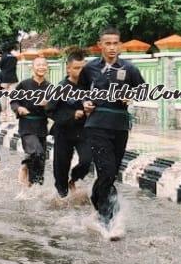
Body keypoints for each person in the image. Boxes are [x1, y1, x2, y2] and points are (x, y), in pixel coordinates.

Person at [78, 27, 145, 230]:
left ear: (120, 45)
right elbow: (79, 92)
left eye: (116, 43)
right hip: (96, 126)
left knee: (111, 174)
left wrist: (132, 97)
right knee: (106, 172)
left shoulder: (130, 69)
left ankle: (97, 195)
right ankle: (106, 220)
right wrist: (84, 102)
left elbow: (143, 90)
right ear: (100, 45)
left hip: (120, 127)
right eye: (108, 43)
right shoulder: (89, 69)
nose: (112, 47)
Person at [46, 48, 92, 197]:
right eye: (76, 68)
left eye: (82, 68)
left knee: (87, 160)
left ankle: (74, 178)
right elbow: (50, 110)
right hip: (63, 131)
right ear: (68, 68)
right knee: (61, 166)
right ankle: (62, 194)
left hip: (83, 131)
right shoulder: (61, 87)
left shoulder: (89, 86)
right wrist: (72, 114)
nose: (80, 71)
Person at [10, 57, 51, 187]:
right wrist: (19, 108)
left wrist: (47, 105)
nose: (41, 67)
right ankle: (26, 168)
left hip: (42, 127)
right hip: (27, 126)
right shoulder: (24, 84)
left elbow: (55, 107)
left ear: (47, 68)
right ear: (32, 68)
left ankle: (32, 185)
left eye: (44, 65)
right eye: (38, 65)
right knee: (36, 152)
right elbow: (14, 101)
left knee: (41, 159)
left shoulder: (50, 87)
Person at [0, 42, 19, 121]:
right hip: (13, 79)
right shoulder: (14, 56)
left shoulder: (3, 57)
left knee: (3, 97)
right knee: (11, 97)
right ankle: (11, 116)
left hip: (4, 79)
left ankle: (3, 116)